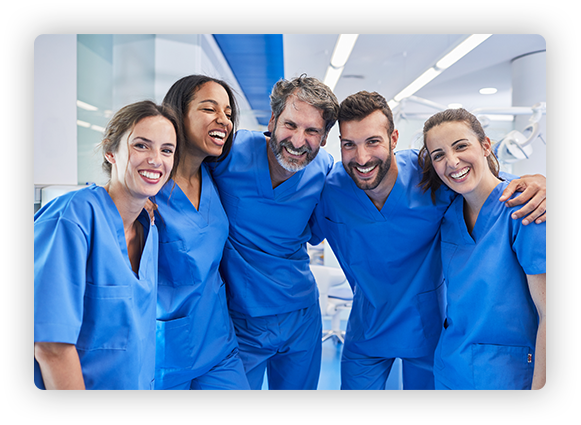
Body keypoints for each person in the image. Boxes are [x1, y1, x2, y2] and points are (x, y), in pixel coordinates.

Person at [309, 91, 546, 390]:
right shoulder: (330, 191)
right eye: (349, 145)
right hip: (367, 328)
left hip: (426, 329)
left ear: (394, 138)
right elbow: (294, 226)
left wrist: (536, 182)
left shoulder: (427, 177)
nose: (362, 157)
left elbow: (482, 185)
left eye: (373, 141)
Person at [34, 101, 180, 389]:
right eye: (141, 145)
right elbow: (50, 347)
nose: (155, 159)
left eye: (166, 150)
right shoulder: (72, 218)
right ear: (111, 152)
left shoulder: (148, 228)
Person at [209, 75, 339, 389]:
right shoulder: (229, 154)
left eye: (312, 131)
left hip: (301, 315)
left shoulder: (324, 170)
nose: (297, 141)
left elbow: (315, 230)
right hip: (241, 318)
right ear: (272, 120)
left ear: (323, 139)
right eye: (290, 125)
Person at [420, 108, 546, 390]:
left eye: (461, 146)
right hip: (451, 371)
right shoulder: (448, 215)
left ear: (486, 145)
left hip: (509, 377)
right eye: (438, 155)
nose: (452, 161)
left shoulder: (526, 211)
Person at [152, 75, 250, 390]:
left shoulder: (214, 178)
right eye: (209, 109)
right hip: (166, 351)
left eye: (228, 114)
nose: (224, 120)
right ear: (177, 115)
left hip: (219, 342)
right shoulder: (148, 191)